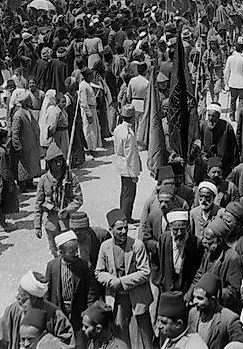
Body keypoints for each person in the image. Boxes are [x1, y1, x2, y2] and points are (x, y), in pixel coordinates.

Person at [94, 208, 154, 348]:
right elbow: (98, 272)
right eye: (119, 229)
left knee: (140, 336)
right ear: (111, 229)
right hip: (117, 299)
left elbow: (145, 272)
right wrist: (111, 281)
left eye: (126, 228)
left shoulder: (137, 245)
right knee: (120, 335)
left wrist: (121, 281)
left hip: (137, 298)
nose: (124, 232)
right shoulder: (105, 247)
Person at [0, 271, 74, 349]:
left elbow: (68, 344)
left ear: (34, 298)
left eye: (22, 296)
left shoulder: (55, 316)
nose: (17, 298)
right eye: (18, 293)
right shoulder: (14, 310)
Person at [45, 230, 94, 348]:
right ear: (61, 252)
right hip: (59, 313)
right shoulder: (52, 266)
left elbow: (91, 293)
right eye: (72, 251)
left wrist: (88, 314)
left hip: (79, 314)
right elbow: (47, 292)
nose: (76, 253)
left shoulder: (85, 266)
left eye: (76, 250)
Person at [35, 145, 84, 257]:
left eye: (60, 160)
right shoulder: (43, 180)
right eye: (55, 161)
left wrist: (68, 210)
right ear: (49, 163)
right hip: (50, 223)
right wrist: (37, 226)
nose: (58, 164)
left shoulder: (71, 177)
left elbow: (79, 199)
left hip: (67, 223)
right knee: (55, 252)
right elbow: (38, 203)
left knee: (69, 252)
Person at [187, 272, 243, 349]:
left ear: (213, 300)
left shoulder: (230, 320)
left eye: (200, 298)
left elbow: (240, 346)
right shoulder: (193, 313)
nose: (195, 301)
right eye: (194, 297)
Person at [112, 104, 141, 223]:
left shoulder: (118, 129)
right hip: (128, 167)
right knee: (129, 194)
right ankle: (125, 218)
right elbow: (131, 155)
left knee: (124, 192)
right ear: (133, 117)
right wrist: (134, 174)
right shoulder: (128, 134)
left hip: (121, 164)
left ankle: (124, 216)